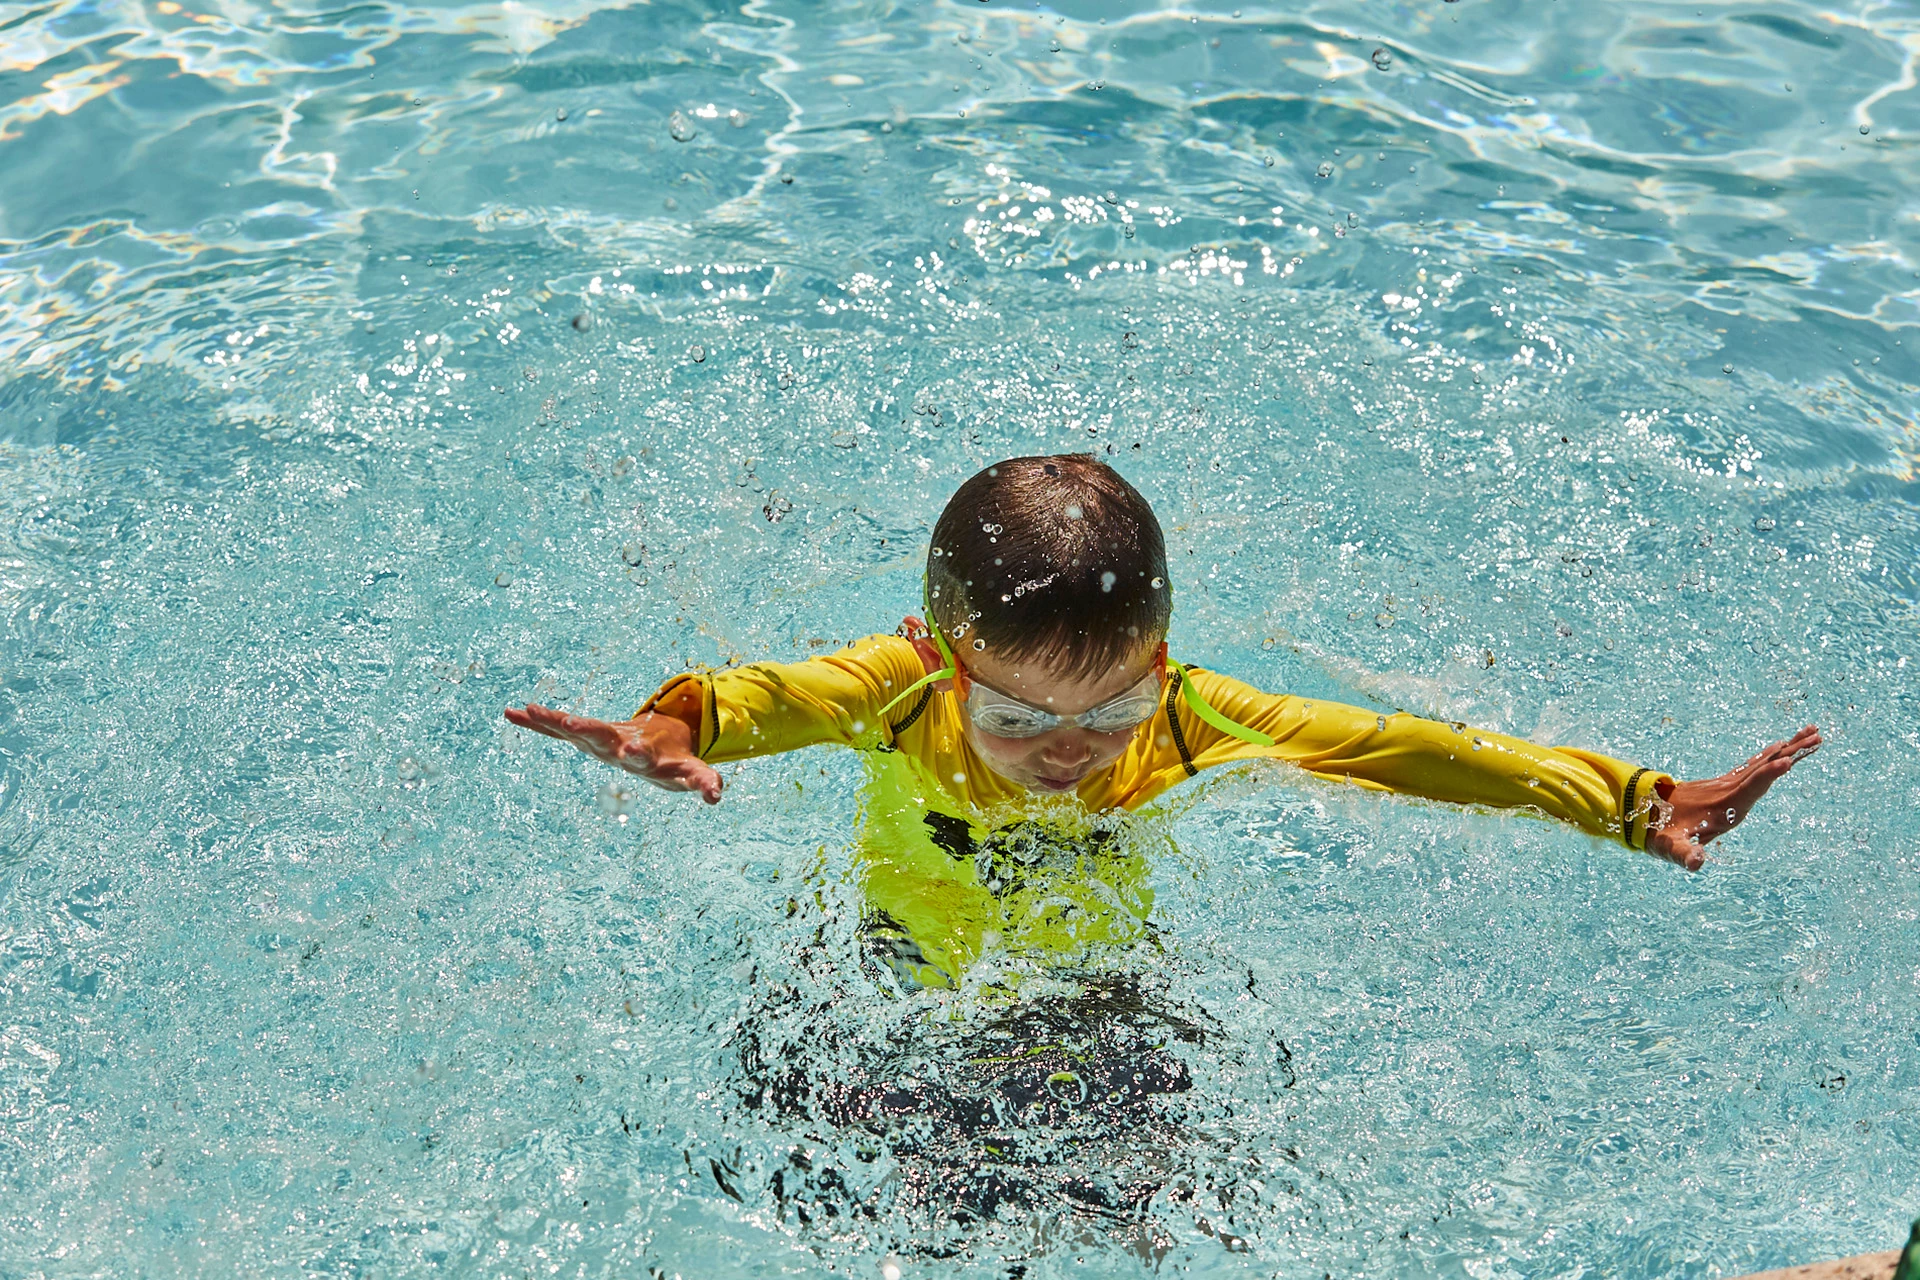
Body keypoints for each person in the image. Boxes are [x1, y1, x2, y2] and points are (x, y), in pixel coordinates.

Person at [506, 454, 1820, 989]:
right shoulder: (899, 683)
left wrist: (1632, 800)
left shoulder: (1192, 715)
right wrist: (669, 729)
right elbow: (762, 700)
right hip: (911, 941)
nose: (1068, 755)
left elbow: (1411, 752)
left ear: (1162, 662)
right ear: (953, 665)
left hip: (1091, 960)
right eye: (1020, 722)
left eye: (1112, 709)